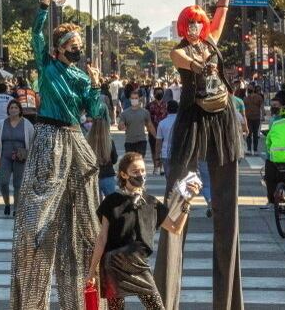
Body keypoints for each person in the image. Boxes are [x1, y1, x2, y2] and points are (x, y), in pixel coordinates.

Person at [154, 0, 244, 310]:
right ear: (183, 26)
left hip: (221, 118)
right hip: (192, 120)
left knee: (226, 209)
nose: (194, 28)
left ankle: (227, 303)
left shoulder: (212, 39)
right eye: (189, 23)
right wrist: (200, 62)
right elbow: (189, 63)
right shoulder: (179, 51)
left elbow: (222, 8)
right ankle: (166, 296)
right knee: (177, 202)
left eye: (198, 23)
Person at [10, 0, 106, 310]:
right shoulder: (48, 67)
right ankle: (32, 298)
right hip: (49, 140)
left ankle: (87, 295)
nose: (77, 48)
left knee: (85, 222)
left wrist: (95, 87)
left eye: (79, 44)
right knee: (35, 224)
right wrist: (43, 4)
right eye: (72, 44)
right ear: (60, 48)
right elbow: (35, 36)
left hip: (75, 141)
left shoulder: (81, 77)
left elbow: (95, 112)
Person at [86, 152, 200, 310]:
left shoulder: (152, 203)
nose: (140, 175)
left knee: (157, 307)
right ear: (124, 174)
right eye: (135, 171)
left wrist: (187, 202)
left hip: (140, 265)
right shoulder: (111, 201)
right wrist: (92, 271)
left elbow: (175, 228)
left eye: (142, 171)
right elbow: (102, 238)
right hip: (113, 264)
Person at [0, 100, 35, 216]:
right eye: (11, 108)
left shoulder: (27, 125)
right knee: (3, 182)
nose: (13, 110)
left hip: (20, 158)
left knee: (18, 184)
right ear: (8, 110)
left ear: (20, 110)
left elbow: (32, 142)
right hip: (5, 157)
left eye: (16, 108)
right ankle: (7, 203)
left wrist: (28, 156)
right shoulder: (1, 124)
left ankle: (16, 208)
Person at [118, 91, 158, 157]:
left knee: (139, 162)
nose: (134, 100)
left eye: (136, 98)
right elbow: (120, 125)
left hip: (141, 141)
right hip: (129, 142)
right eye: (132, 98)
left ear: (139, 99)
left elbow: (150, 125)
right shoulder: (124, 113)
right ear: (130, 99)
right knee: (130, 164)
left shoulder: (145, 112)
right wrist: (121, 126)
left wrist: (156, 138)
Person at [87, 118, 118, 197]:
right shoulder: (109, 141)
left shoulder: (87, 141)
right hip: (108, 175)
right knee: (111, 203)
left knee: (96, 206)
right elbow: (114, 159)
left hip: (92, 177)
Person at [155, 100, 179, 178]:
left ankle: (169, 190)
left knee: (169, 179)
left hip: (166, 154)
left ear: (167, 109)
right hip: (180, 154)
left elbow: (158, 142)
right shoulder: (182, 122)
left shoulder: (162, 123)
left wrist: (157, 158)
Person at [243, 87, 263, 154]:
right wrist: (262, 115)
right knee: (255, 134)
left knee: (249, 133)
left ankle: (248, 149)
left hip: (248, 117)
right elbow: (262, 107)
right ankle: (255, 150)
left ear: (248, 91)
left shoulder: (245, 99)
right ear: (254, 91)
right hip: (256, 117)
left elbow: (243, 109)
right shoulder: (259, 97)